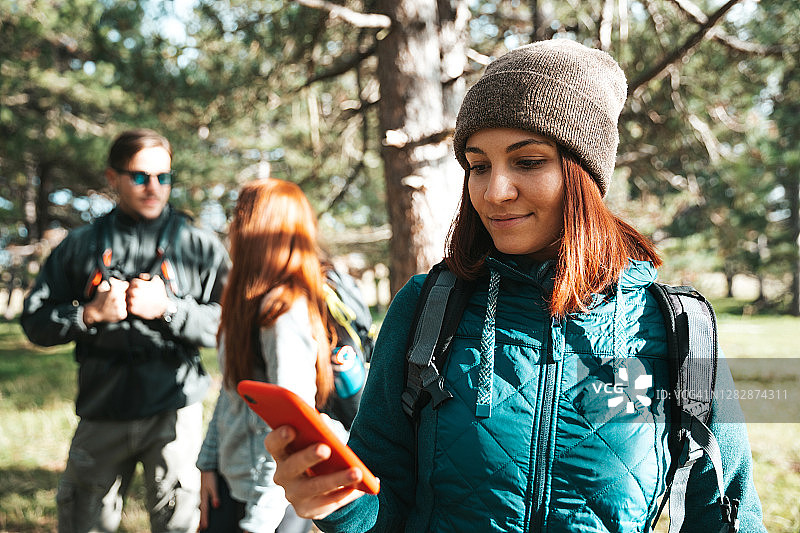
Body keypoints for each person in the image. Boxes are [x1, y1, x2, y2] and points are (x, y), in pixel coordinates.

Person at [263, 40, 766, 532]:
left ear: (585, 176)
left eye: (528, 161)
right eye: (478, 166)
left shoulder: (676, 329)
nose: (495, 191)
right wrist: (339, 505)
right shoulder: (425, 309)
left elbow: (725, 517)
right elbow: (384, 507)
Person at [21, 129, 230, 533]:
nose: (153, 188)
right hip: (102, 408)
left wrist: (169, 310)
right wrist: (89, 315)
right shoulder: (79, 245)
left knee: (180, 525)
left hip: (174, 408)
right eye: (139, 176)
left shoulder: (200, 245)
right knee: (83, 521)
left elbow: (232, 325)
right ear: (113, 178)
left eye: (163, 177)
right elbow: (34, 322)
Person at [196, 178, 342, 533]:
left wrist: (258, 522)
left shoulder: (284, 313)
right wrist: (208, 465)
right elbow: (232, 393)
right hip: (233, 485)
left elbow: (290, 428)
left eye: (239, 215)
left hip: (272, 502)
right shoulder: (245, 302)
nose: (232, 226)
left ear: (261, 228)